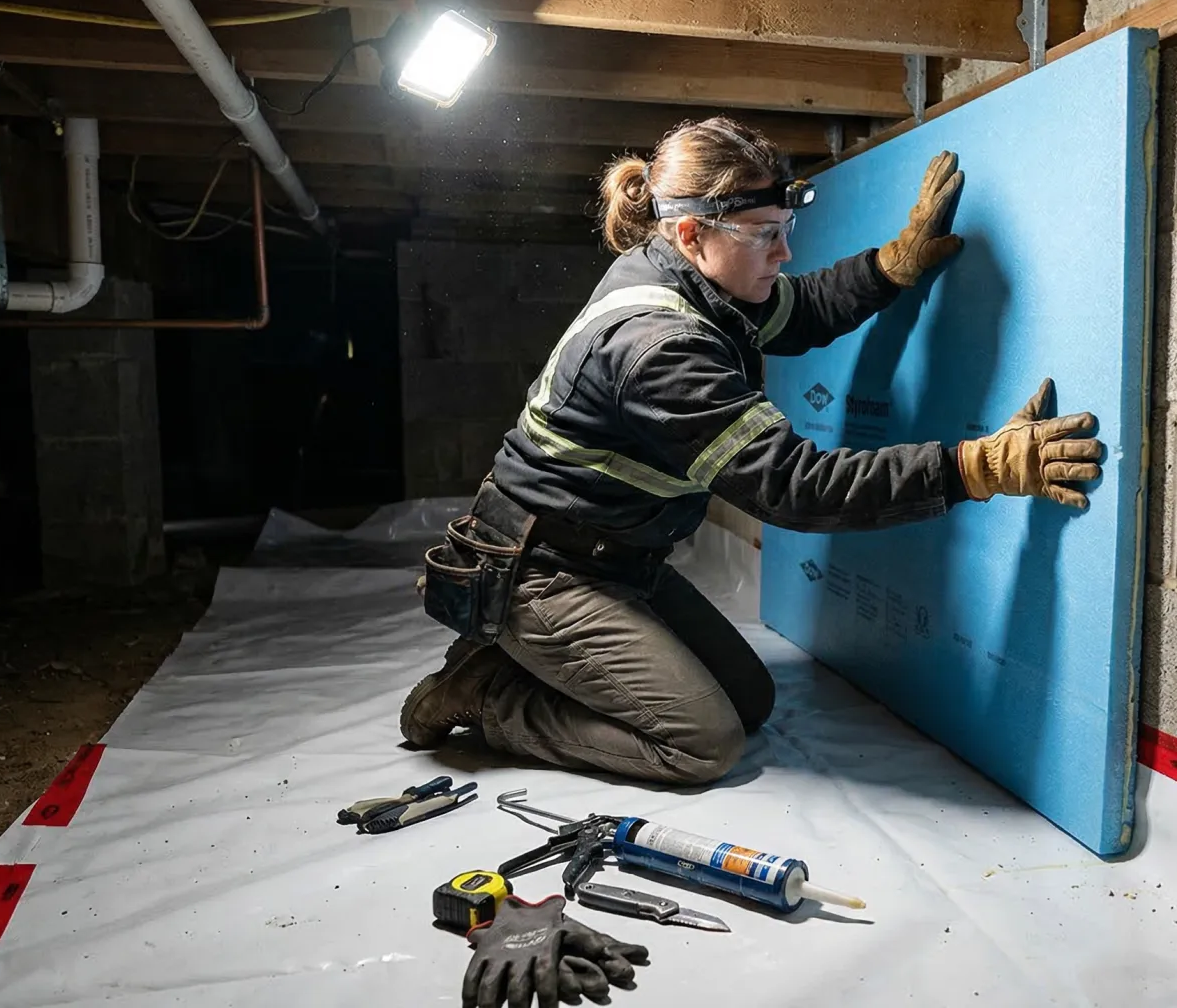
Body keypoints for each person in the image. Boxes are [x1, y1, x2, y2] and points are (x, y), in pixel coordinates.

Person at [402, 116, 1103, 786]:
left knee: (750, 699)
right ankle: (489, 694)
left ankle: (529, 663)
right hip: (543, 574)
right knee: (700, 741)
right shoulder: (661, 350)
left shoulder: (688, 275)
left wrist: (893, 265)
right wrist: (977, 467)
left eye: (785, 228)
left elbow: (803, 309)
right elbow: (798, 488)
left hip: (615, 559)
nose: (785, 251)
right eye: (764, 233)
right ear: (691, 232)